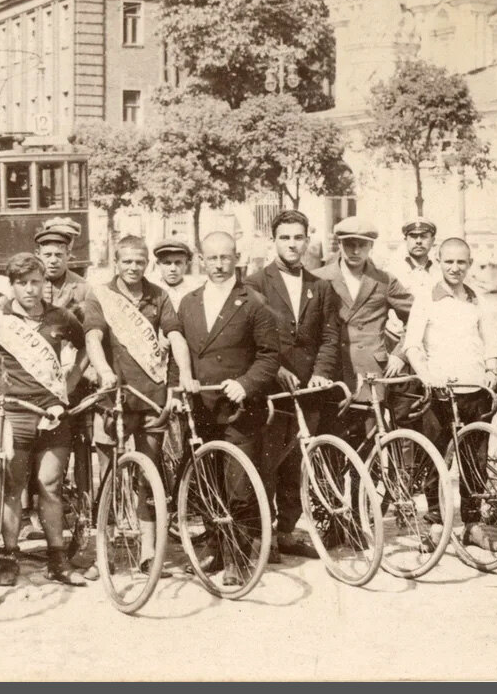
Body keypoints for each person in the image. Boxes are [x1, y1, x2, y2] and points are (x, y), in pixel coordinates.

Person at [0, 252, 88, 587]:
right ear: (12, 286)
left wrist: (70, 383)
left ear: (45, 283)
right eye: (22, 283)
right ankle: (10, 556)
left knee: (50, 485)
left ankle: (57, 559)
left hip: (52, 413)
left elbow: (87, 346)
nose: (30, 290)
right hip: (13, 413)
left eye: (36, 282)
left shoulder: (61, 317)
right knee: (13, 488)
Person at [82, 235, 194, 572]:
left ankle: (148, 553)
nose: (133, 267)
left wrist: (184, 377)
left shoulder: (158, 295)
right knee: (109, 477)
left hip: (151, 399)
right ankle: (106, 552)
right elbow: (93, 336)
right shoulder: (100, 295)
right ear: (116, 262)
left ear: (146, 263)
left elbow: (175, 335)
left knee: (150, 477)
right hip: (113, 399)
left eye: (139, 262)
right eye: (127, 261)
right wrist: (102, 370)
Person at [177, 231, 280, 582]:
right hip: (200, 406)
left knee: (240, 486)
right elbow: (182, 351)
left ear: (236, 258)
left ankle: (239, 553)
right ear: (201, 260)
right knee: (208, 482)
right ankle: (217, 548)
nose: (219, 265)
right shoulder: (189, 302)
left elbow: (270, 355)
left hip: (240, 408)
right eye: (212, 258)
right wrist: (184, 379)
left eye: (225, 258)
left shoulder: (253, 302)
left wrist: (245, 384)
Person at [246, 210, 340, 560]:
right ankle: (264, 533)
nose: (292, 244)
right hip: (272, 387)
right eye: (285, 237)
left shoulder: (321, 286)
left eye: (298, 237)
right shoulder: (256, 283)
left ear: (307, 240)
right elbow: (253, 338)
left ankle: (286, 530)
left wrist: (321, 372)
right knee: (268, 459)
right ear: (274, 240)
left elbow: (330, 335)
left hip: (309, 388)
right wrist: (275, 370)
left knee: (299, 462)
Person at [402, 237, 497, 553]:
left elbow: (492, 342)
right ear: (439, 261)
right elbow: (412, 346)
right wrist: (427, 377)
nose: (455, 268)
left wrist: (491, 368)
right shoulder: (426, 299)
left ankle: (472, 525)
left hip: (475, 392)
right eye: (449, 262)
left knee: (475, 461)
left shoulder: (478, 299)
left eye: (462, 262)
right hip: (440, 393)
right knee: (433, 458)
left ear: (469, 264)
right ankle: (434, 523)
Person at [313, 216, 412, 439]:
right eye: (349, 244)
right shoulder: (319, 278)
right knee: (333, 445)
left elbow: (417, 318)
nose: (355, 251)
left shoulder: (385, 281)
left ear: (371, 246)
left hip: (370, 374)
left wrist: (400, 354)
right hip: (333, 372)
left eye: (362, 245)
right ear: (339, 244)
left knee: (370, 447)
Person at [35, 217, 89, 318]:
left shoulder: (83, 287)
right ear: (38, 254)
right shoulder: (28, 284)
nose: (53, 260)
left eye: (71, 237)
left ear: (68, 254)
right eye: (47, 255)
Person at [151, 238, 194, 311]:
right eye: (167, 263)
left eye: (178, 263)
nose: (173, 269)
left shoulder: (193, 292)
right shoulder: (151, 291)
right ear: (158, 264)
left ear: (186, 264)